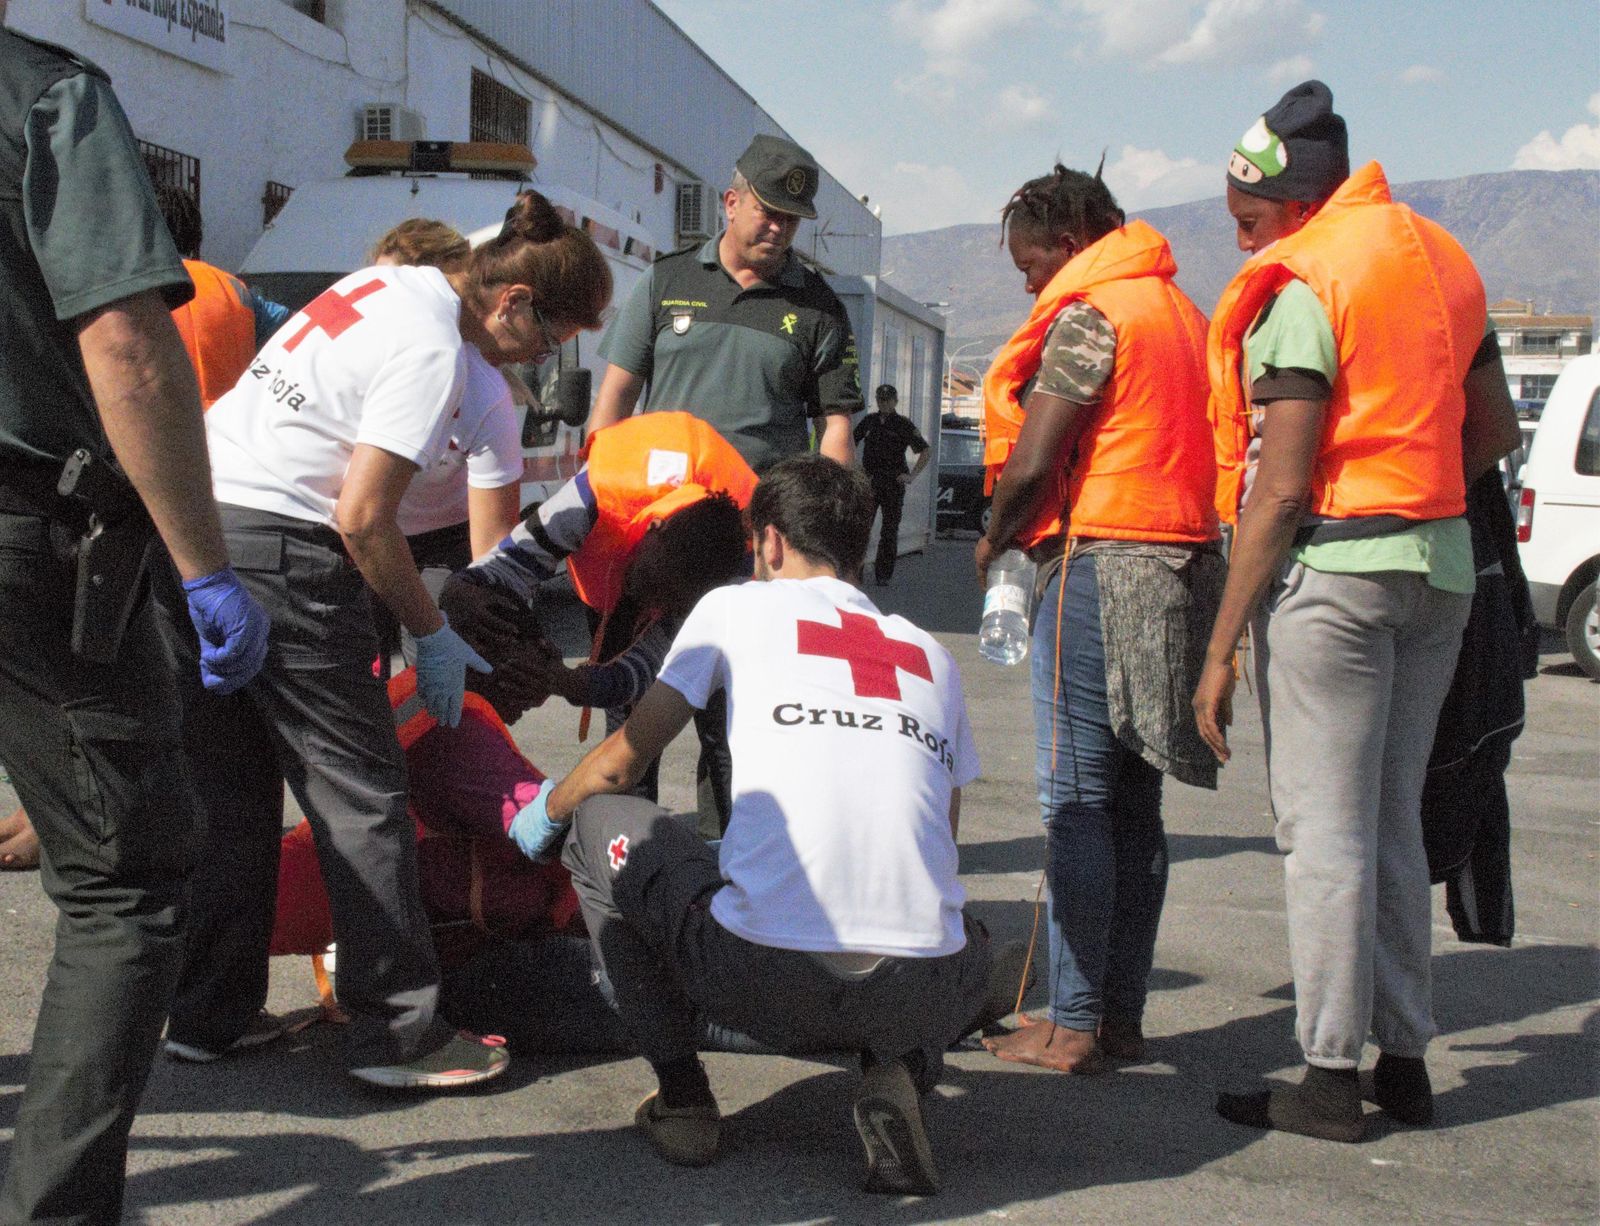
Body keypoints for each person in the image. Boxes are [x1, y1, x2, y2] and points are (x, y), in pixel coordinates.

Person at [159, 189, 612, 1093]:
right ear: (512, 301)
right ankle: (399, 1034)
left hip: (203, 532)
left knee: (235, 789)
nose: (544, 357)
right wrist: (430, 628)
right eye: (552, 337)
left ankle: (208, 1016)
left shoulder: (385, 284)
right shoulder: (433, 347)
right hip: (289, 552)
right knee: (362, 793)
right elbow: (364, 517)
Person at [504, 454, 994, 1196]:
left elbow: (619, 765)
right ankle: (896, 1070)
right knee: (967, 936)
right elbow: (941, 844)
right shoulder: (930, 654)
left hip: (759, 980)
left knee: (598, 821)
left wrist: (545, 815)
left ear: (767, 544)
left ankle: (685, 1098)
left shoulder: (734, 608)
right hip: (928, 989)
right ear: (859, 545)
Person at [1193, 81, 1523, 1141]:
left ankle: (1328, 1073)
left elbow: (1280, 486)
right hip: (1439, 571)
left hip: (1334, 575)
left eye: (1244, 223)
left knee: (1322, 831)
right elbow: (1495, 430)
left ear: (1291, 206)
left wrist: (1219, 648)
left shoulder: (1307, 279)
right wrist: (1416, 496)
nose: (1239, 243)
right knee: (1387, 819)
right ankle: (1404, 1059)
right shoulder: (1442, 259)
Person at [0, 18, 269, 1222]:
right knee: (126, 880)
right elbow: (128, 342)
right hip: (27, 527)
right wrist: (203, 564)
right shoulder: (43, 95)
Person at [975, 162, 1224, 1075]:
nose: (1028, 282)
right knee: (1135, 804)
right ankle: (1119, 1019)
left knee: (1077, 801)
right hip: (1179, 563)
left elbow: (1038, 456)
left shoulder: (1093, 315)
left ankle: (1072, 1024)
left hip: (1098, 563)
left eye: (1032, 263)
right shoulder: (1183, 312)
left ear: (1072, 245)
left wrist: (997, 537)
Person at [446, 411, 756, 798]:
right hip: (631, 520)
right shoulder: (595, 495)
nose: (649, 605)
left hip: (712, 566)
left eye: (665, 601)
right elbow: (493, 572)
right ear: (652, 529)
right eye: (649, 587)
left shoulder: (729, 579)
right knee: (466, 602)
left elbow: (638, 672)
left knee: (723, 731)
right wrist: (520, 650)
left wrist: (567, 682)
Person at [588, 134, 862, 471]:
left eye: (791, 219)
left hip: (763, 512)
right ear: (732, 203)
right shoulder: (665, 279)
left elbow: (835, 428)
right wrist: (596, 490)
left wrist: (836, 516)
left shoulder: (820, 306)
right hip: (666, 506)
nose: (779, 228)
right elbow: (617, 394)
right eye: (769, 212)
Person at [365, 217, 525, 678]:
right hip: (365, 530)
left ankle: (440, 741)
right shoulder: (369, 352)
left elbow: (492, 546)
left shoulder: (475, 377)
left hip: (443, 540)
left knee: (437, 667)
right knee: (363, 674)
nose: (387, 303)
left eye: (399, 287)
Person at [155, 182, 291, 407]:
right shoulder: (232, 287)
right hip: (228, 429)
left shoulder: (130, 288)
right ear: (194, 232)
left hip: (162, 429)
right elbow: (296, 325)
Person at [854, 383, 930, 586]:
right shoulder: (869, 421)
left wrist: (912, 476)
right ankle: (855, 573)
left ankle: (883, 575)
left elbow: (925, 451)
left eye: (887, 400)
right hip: (869, 482)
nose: (883, 403)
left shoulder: (903, 425)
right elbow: (850, 441)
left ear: (895, 401)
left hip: (892, 484)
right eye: (880, 399)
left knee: (889, 531)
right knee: (861, 528)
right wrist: (854, 469)